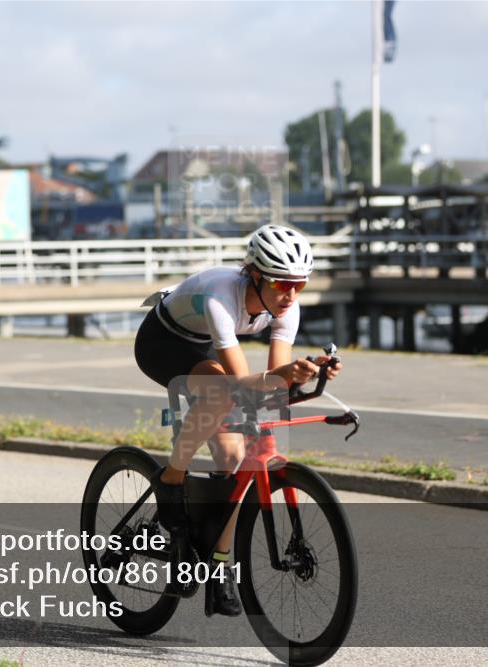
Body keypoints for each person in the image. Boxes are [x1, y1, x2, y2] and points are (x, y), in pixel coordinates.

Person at [134, 224, 341, 617]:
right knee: (223, 390)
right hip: (163, 344)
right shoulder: (220, 296)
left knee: (234, 462)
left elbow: (275, 379)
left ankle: (219, 564)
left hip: (207, 346)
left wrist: (307, 372)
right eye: (282, 285)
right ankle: (171, 480)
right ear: (257, 276)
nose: (291, 295)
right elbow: (243, 382)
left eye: (299, 285)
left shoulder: (287, 306)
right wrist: (280, 379)